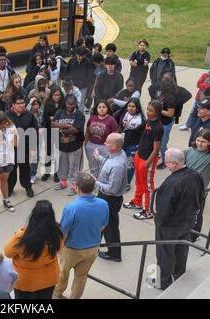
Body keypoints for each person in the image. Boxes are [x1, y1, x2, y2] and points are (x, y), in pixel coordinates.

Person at [148, 148, 205, 290]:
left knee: (165, 252)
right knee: (181, 248)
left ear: (173, 164)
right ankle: (179, 273)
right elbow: (202, 196)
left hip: (170, 225)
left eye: (166, 163)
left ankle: (163, 281)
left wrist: (159, 222)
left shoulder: (172, 182)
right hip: (188, 221)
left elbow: (164, 208)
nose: (165, 165)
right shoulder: (196, 175)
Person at [53, 173, 108, 299]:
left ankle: (56, 295)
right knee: (81, 277)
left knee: (62, 275)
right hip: (93, 249)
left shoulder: (72, 208)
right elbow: (103, 226)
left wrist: (58, 248)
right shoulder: (103, 204)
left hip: (72, 250)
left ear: (77, 188)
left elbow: (63, 232)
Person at [4, 200, 63, 299]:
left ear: (34, 216)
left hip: (26, 282)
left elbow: (8, 252)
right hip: (49, 279)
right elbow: (60, 246)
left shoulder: (23, 236)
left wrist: (21, 231)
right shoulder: (57, 232)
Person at [124, 100, 164, 220]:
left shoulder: (158, 127)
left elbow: (156, 149)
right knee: (139, 182)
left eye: (151, 111)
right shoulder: (149, 121)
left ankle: (149, 211)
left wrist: (147, 162)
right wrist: (138, 154)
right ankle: (137, 202)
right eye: (147, 109)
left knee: (148, 186)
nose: (148, 112)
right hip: (139, 155)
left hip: (147, 160)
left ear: (157, 112)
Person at [94, 133, 127, 262]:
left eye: (107, 143)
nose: (104, 144)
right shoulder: (118, 154)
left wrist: (95, 182)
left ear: (113, 147)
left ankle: (114, 254)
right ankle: (95, 244)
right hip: (105, 197)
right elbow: (109, 163)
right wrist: (99, 158)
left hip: (110, 199)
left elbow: (113, 189)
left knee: (110, 227)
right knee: (102, 222)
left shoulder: (118, 166)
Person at [52, 94, 85, 196]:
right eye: (69, 104)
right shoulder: (59, 112)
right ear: (65, 103)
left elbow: (75, 129)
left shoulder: (79, 115)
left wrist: (60, 127)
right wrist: (67, 125)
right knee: (62, 166)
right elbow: (52, 124)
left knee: (73, 168)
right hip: (62, 146)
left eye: (73, 104)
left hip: (74, 147)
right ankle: (63, 182)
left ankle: (73, 186)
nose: (71, 106)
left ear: (76, 104)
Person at [6, 93, 38, 198]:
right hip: (11, 149)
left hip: (25, 148)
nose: (21, 105)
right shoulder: (7, 116)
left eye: (23, 103)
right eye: (18, 103)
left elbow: (35, 131)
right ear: (13, 104)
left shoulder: (29, 115)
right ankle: (10, 188)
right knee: (11, 170)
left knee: (25, 169)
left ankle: (28, 186)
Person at [114, 98, 146, 190]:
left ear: (137, 108)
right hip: (121, 143)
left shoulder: (141, 120)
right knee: (119, 163)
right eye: (129, 106)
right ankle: (120, 180)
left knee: (129, 165)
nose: (131, 108)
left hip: (133, 145)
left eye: (133, 106)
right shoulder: (124, 113)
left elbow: (141, 134)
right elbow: (116, 118)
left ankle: (127, 183)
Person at [179, 62, 210, 131]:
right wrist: (207, 87)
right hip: (199, 97)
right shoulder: (204, 75)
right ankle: (187, 125)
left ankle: (198, 127)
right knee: (193, 111)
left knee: (202, 114)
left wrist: (204, 85)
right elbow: (198, 84)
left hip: (207, 100)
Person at [84, 100, 119, 178]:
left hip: (104, 147)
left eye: (104, 107)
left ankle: (101, 186)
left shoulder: (111, 120)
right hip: (91, 146)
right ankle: (93, 183)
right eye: (99, 107)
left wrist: (112, 148)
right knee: (93, 168)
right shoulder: (92, 118)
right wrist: (86, 144)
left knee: (103, 168)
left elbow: (115, 135)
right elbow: (87, 132)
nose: (102, 109)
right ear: (96, 108)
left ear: (107, 108)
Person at [42, 87, 64, 182]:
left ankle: (57, 173)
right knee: (48, 152)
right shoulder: (47, 104)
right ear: (52, 95)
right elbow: (46, 118)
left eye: (59, 95)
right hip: (48, 130)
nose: (57, 97)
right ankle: (47, 172)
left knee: (58, 153)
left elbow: (63, 117)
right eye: (55, 95)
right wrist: (55, 118)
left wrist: (53, 118)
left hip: (60, 132)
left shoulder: (63, 103)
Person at [156, 78, 177, 169]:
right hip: (159, 122)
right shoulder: (162, 94)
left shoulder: (171, 99)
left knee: (162, 144)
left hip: (165, 124)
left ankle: (166, 161)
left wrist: (158, 110)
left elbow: (170, 113)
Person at [66, 47, 94, 111]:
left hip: (83, 87)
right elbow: (67, 71)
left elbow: (90, 75)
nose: (80, 58)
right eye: (79, 56)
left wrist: (85, 83)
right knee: (71, 100)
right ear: (76, 54)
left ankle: (80, 115)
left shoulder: (88, 62)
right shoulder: (71, 61)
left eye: (82, 56)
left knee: (81, 101)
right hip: (72, 85)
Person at [27, 96, 44, 184]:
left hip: (37, 139)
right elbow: (24, 111)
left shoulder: (41, 113)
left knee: (35, 158)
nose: (36, 106)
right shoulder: (27, 113)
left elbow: (44, 123)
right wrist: (30, 103)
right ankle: (26, 174)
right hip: (27, 138)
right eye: (34, 105)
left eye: (37, 104)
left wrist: (42, 129)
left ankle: (33, 174)